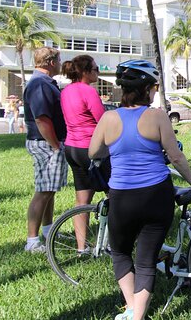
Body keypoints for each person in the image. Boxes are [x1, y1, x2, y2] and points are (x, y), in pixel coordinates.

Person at [89, 59, 191, 320]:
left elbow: (93, 151)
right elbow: (175, 156)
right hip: (157, 195)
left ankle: (133, 309)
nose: (156, 91)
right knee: (146, 260)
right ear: (146, 88)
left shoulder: (109, 118)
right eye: (154, 86)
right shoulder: (157, 116)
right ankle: (138, 315)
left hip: (122, 197)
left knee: (120, 252)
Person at [60, 54, 110, 252]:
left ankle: (81, 247)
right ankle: (114, 243)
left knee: (82, 200)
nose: (98, 72)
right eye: (96, 69)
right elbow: (103, 121)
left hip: (71, 148)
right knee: (114, 193)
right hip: (91, 148)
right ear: (85, 72)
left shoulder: (66, 91)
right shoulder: (88, 91)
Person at [23, 47, 68, 253]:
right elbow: (42, 118)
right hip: (46, 143)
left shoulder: (44, 83)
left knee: (49, 189)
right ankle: (32, 241)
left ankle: (48, 230)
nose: (60, 64)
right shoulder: (40, 84)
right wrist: (55, 145)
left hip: (48, 142)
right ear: (51, 62)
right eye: (58, 60)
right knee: (43, 191)